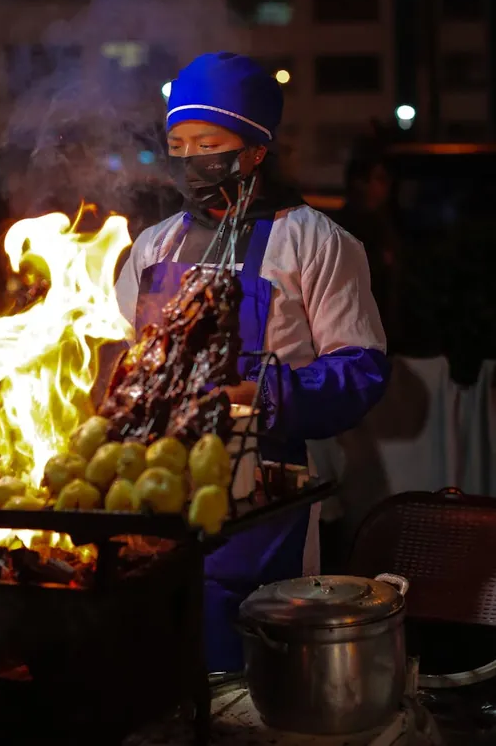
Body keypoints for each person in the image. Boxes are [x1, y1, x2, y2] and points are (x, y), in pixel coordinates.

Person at [115, 52, 390, 673]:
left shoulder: (314, 240)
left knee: (254, 671)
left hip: (265, 495)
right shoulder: (152, 246)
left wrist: (262, 396)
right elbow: (125, 356)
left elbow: (362, 368)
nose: (191, 158)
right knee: (158, 661)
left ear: (256, 150)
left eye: (208, 142)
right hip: (156, 491)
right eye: (178, 143)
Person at [338, 155, 400, 345]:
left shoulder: (386, 224)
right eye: (379, 179)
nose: (386, 186)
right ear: (360, 183)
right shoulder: (343, 230)